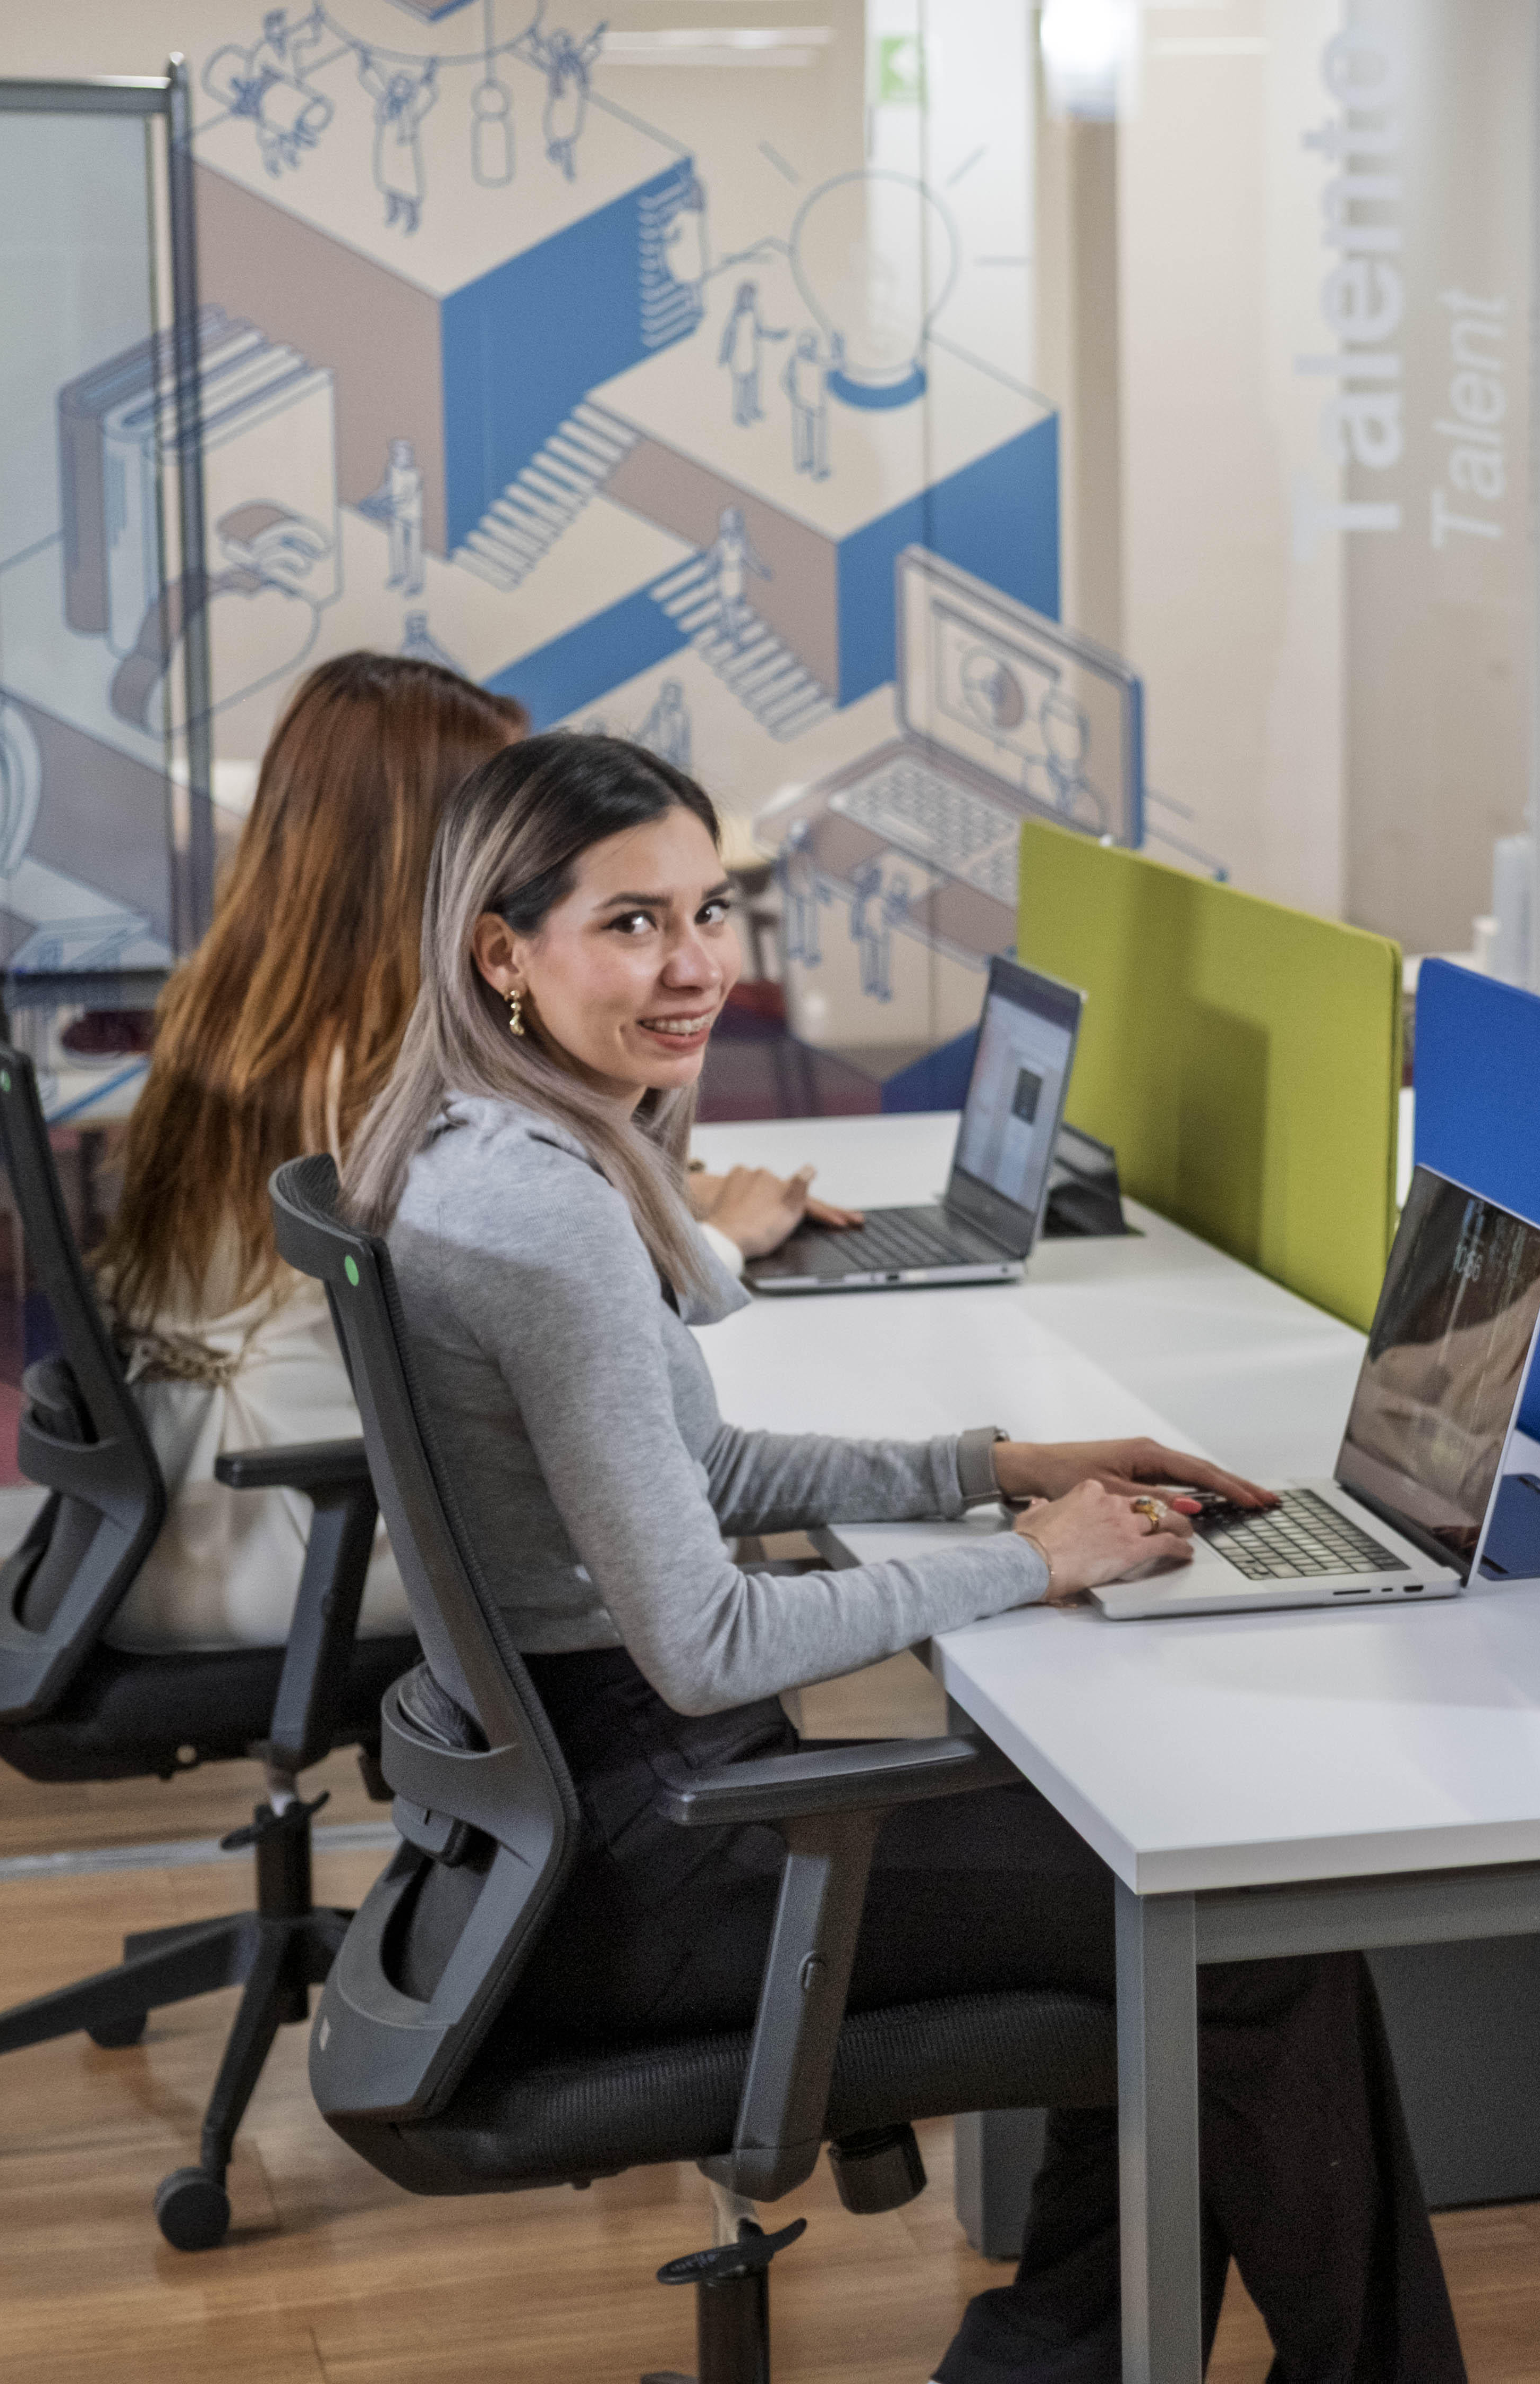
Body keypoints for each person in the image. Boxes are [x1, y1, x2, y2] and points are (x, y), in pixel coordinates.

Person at [337, 734, 1465, 2384]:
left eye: (707, 911)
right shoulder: (546, 1212)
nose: (696, 965)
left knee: (1171, 1877)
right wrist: (1033, 1560)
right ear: (501, 953)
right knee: (1239, 1915)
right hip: (660, 1864)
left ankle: (1048, 2362)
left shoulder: (478, 1147)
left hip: (582, 1833)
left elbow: (697, 1470)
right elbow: (706, 1642)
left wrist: (994, 1470)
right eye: (632, 924)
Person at [96, 655, 845, 1653]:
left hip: (187, 1499)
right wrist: (723, 1238)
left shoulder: (243, 1013)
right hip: (298, 1534)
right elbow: (550, 1286)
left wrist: (676, 1192)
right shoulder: (373, 1072)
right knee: (679, 1543)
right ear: (437, 843)